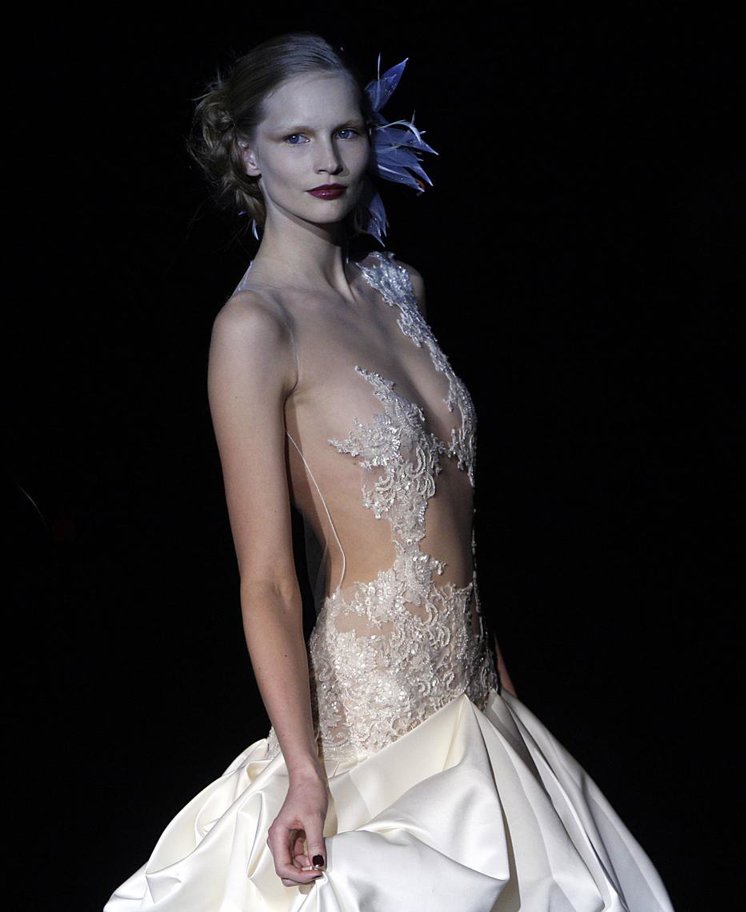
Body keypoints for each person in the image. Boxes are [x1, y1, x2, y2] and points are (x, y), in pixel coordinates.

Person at [104, 31, 674, 912]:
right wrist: (304, 772)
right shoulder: (254, 331)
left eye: (345, 132)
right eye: (295, 137)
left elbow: (451, 522)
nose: (327, 160)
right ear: (246, 154)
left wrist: (501, 690)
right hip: (372, 714)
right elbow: (269, 579)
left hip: (477, 702)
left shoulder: (401, 288)